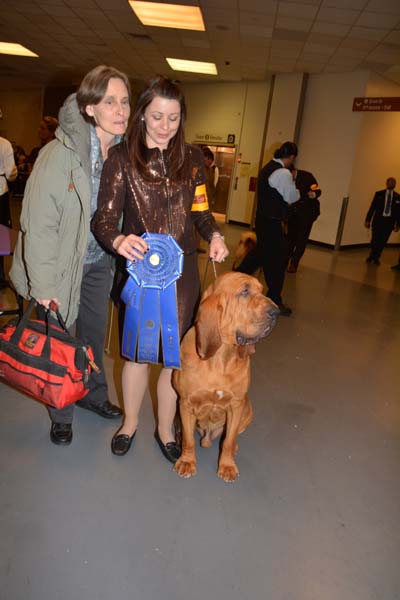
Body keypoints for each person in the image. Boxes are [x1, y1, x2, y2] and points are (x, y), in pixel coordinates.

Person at [92, 76, 229, 462]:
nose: (165, 126)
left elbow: (201, 213)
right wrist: (118, 242)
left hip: (182, 277)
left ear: (182, 117)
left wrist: (215, 235)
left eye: (173, 117)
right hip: (138, 274)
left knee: (174, 358)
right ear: (142, 116)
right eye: (156, 116)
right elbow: (103, 221)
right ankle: (130, 424)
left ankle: (167, 431)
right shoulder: (121, 159)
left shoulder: (194, 161)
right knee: (135, 356)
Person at [10, 65, 130, 445]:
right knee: (62, 339)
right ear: (90, 107)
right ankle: (61, 411)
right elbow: (37, 224)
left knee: (93, 334)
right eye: (110, 101)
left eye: (125, 101)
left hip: (98, 264)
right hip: (60, 267)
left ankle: (93, 396)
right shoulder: (57, 155)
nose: (121, 109)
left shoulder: (122, 158)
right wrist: (43, 285)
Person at [252, 141, 299, 316]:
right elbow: (292, 197)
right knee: (277, 262)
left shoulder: (267, 168)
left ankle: (237, 277)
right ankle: (274, 300)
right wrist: (295, 184)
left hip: (262, 220)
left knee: (260, 255)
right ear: (291, 157)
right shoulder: (283, 173)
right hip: (272, 223)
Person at [286, 167, 321, 273]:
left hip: (307, 214)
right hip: (293, 213)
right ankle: (284, 261)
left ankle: (294, 264)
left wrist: (313, 194)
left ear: (293, 171)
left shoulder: (307, 176)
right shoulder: (286, 179)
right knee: (290, 239)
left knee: (301, 240)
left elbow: (317, 190)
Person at [365, 177, 400, 266]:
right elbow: (372, 207)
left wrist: (397, 224)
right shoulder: (379, 194)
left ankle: (376, 257)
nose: (392, 184)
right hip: (378, 221)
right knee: (374, 239)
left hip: (389, 223)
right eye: (390, 182)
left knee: (383, 241)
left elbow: (398, 212)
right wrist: (368, 219)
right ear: (386, 183)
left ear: (395, 185)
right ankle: (372, 255)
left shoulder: (398, 197)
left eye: (394, 183)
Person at [0, 135, 18, 287]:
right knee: (2, 238)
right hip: (0, 194)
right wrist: (14, 172)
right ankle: (0, 275)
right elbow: (11, 175)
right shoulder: (4, 144)